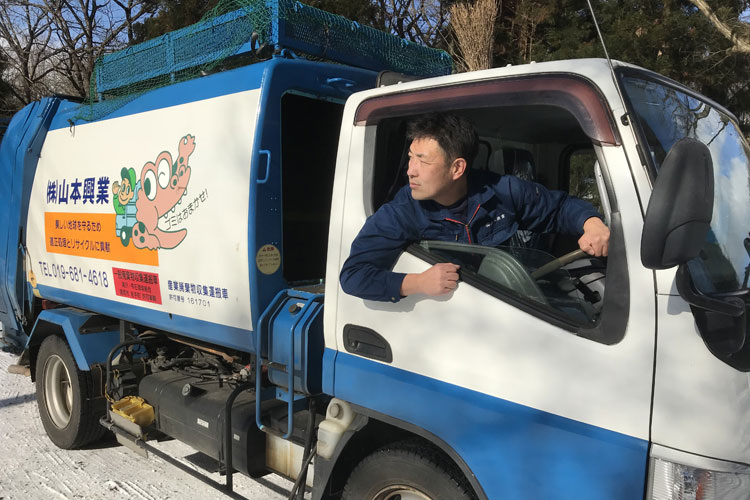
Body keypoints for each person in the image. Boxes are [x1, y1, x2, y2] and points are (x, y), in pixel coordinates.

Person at [340, 113, 610, 302]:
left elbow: (559, 208)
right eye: (410, 158)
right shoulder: (402, 212)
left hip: (516, 300)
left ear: (457, 168)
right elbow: (353, 276)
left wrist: (592, 224)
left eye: (422, 161)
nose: (410, 170)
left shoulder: (502, 191)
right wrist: (417, 282)